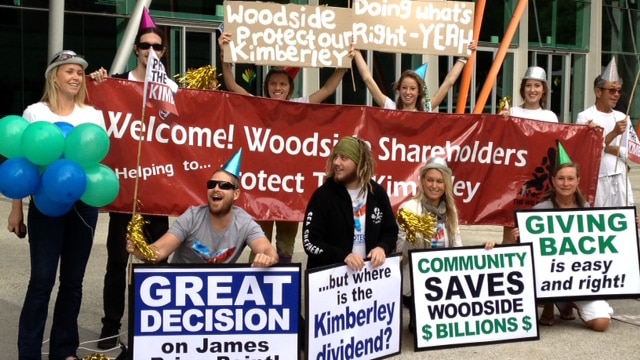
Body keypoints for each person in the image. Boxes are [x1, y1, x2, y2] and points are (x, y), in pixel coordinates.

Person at [7, 50, 106, 360]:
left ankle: (64, 350)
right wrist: (16, 207)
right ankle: (29, 352)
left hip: (82, 208)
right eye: (69, 71)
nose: (76, 76)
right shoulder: (35, 113)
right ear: (54, 76)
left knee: (73, 283)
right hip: (45, 208)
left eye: (79, 72)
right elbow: (21, 164)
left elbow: (95, 160)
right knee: (42, 281)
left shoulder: (92, 115)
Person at [218, 32, 348, 265]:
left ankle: (283, 288)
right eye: (273, 84)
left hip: (290, 191)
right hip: (263, 189)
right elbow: (231, 84)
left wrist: (343, 65)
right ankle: (256, 286)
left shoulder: (299, 106)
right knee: (259, 244)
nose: (277, 88)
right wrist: (224, 54)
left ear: (290, 87)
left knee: (286, 246)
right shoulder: (257, 105)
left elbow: (327, 89)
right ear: (267, 86)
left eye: (282, 84)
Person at [90, 14, 175, 349]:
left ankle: (153, 326)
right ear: (136, 50)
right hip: (125, 189)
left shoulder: (170, 89)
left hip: (157, 191)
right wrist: (99, 82)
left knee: (157, 260)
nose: (150, 50)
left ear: (164, 51)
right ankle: (111, 327)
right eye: (144, 45)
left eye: (156, 46)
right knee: (117, 262)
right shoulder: (118, 83)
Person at [512, 155, 613, 332]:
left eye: (570, 179)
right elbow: (531, 254)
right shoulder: (539, 210)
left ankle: (570, 300)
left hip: (581, 278)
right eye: (561, 178)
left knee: (601, 323)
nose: (565, 183)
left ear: (578, 181)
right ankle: (549, 303)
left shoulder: (586, 209)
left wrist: (628, 225)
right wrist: (519, 237)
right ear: (552, 181)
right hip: (549, 279)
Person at [126, 150, 279, 267]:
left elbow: (268, 250)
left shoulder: (244, 222)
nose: (216, 189)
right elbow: (159, 251)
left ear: (236, 194)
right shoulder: (192, 217)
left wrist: (267, 257)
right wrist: (141, 251)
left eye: (224, 186)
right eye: (212, 185)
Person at [302, 136, 397, 271]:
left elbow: (390, 231)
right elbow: (310, 242)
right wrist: (343, 256)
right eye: (335, 157)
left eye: (343, 158)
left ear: (359, 162)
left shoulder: (377, 193)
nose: (336, 162)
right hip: (332, 280)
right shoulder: (322, 196)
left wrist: (382, 247)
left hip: (370, 276)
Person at [395, 157, 463, 331]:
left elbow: (457, 246)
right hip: (417, 280)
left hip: (443, 278)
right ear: (423, 181)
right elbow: (399, 256)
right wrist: (414, 236)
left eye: (439, 181)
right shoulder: (408, 209)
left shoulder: (451, 211)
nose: (434, 185)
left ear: (446, 184)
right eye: (430, 180)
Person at [500, 66, 558, 245]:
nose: (532, 90)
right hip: (513, 181)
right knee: (511, 230)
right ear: (522, 88)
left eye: (537, 86)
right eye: (528, 85)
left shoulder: (550, 116)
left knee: (537, 231)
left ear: (544, 90)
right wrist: (501, 122)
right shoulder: (512, 113)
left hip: (540, 180)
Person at [349, 41, 476, 111]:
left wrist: (464, 58)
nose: (408, 92)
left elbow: (449, 82)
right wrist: (357, 52)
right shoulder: (391, 107)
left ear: (419, 92)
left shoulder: (426, 109)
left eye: (412, 88)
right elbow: (368, 80)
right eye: (404, 88)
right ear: (398, 89)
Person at [576, 58, 634, 208]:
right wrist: (613, 134)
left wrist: (610, 148)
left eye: (619, 91)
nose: (616, 95)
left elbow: (633, 151)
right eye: (612, 90)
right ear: (598, 91)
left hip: (620, 178)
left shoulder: (622, 117)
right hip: (597, 179)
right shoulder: (585, 116)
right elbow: (584, 151)